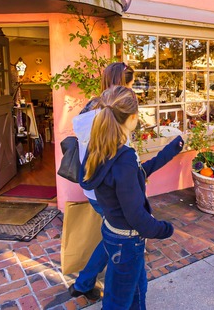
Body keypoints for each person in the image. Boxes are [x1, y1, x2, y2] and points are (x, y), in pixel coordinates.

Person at [78, 86, 184, 308]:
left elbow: (137, 173)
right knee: (118, 302)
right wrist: (165, 229)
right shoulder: (122, 156)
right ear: (133, 117)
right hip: (127, 241)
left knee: (137, 291)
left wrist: (170, 150)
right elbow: (137, 216)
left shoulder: (101, 147)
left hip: (113, 231)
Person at [69, 62, 135, 300]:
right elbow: (119, 154)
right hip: (110, 187)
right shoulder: (117, 111)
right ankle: (85, 283)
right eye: (130, 82)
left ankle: (84, 283)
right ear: (124, 82)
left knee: (112, 233)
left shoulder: (90, 107)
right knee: (116, 236)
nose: (133, 87)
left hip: (92, 183)